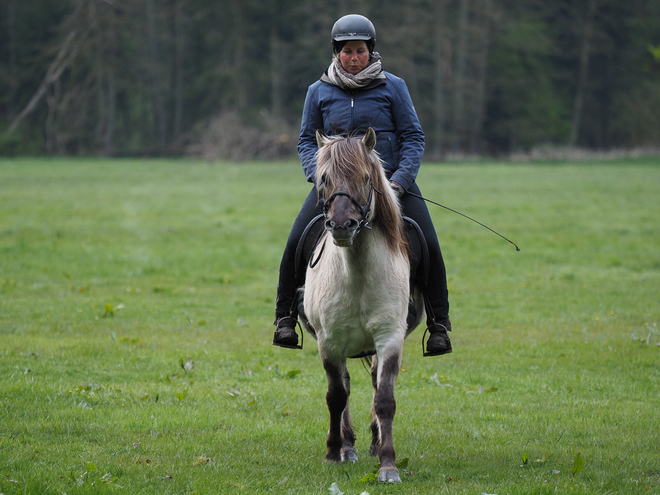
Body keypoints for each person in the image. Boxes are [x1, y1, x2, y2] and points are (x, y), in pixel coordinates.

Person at [272, 14, 452, 356]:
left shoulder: (393, 87)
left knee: (428, 242)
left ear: (370, 51)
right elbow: (306, 144)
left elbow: (413, 137)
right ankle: (284, 320)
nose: (353, 58)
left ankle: (439, 325)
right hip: (336, 188)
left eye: (360, 51)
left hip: (388, 187)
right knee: (295, 240)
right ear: (336, 52)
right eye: (347, 51)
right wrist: (320, 178)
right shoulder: (318, 91)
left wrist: (398, 182)